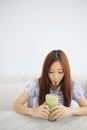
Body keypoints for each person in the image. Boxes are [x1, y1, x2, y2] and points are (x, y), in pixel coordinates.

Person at [13, 49, 87, 121]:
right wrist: (33, 111)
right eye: (51, 72)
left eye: (60, 72)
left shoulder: (72, 86)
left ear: (65, 72)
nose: (55, 77)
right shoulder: (36, 84)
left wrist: (70, 111)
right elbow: (16, 105)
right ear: (46, 71)